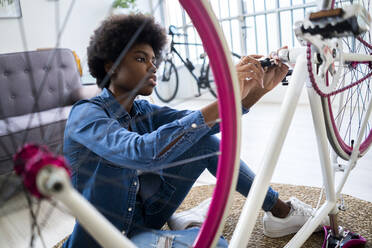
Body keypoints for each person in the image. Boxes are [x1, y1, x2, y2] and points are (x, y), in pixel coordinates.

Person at [62, 14, 326, 248]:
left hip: (147, 217)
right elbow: (142, 153)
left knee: (204, 140)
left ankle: (281, 212)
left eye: (154, 60)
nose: (153, 67)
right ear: (111, 66)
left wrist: (255, 90)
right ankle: (186, 225)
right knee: (216, 244)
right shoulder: (86, 115)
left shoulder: (141, 110)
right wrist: (227, 95)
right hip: (108, 240)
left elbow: (203, 124)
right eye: (141, 59)